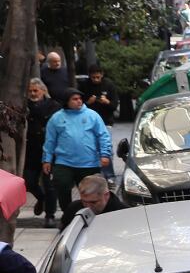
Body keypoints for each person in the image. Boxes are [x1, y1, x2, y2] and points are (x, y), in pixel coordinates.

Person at [41, 87, 113, 213]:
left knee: (91, 191)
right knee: (62, 186)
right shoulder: (56, 118)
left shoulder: (92, 115)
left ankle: (90, 213)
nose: (79, 101)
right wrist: (46, 159)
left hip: (89, 162)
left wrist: (105, 154)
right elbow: (50, 140)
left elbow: (103, 135)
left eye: (80, 99)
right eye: (74, 99)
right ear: (66, 102)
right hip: (64, 162)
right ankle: (68, 213)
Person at [23, 78, 61, 225]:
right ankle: (41, 198)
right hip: (30, 150)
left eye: (35, 91)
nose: (33, 94)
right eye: (30, 91)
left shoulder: (53, 106)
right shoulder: (24, 105)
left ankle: (49, 215)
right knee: (29, 182)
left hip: (49, 151)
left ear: (43, 91)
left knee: (50, 185)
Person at [58, 173, 123, 221]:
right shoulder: (73, 209)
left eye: (93, 202)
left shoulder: (123, 212)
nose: (88, 206)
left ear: (106, 195)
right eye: (84, 201)